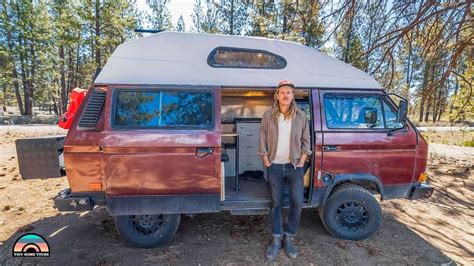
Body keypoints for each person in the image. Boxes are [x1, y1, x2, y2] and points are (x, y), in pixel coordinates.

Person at [258, 79, 312, 260]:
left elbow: (306, 141)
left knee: (297, 202)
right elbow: (262, 136)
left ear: (292, 95)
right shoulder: (268, 115)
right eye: (282, 92)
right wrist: (265, 159)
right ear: (277, 95)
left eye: (289, 92)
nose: (285, 95)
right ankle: (275, 239)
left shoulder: (301, 116)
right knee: (276, 204)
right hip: (274, 166)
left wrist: (303, 159)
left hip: (294, 166)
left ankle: (289, 238)